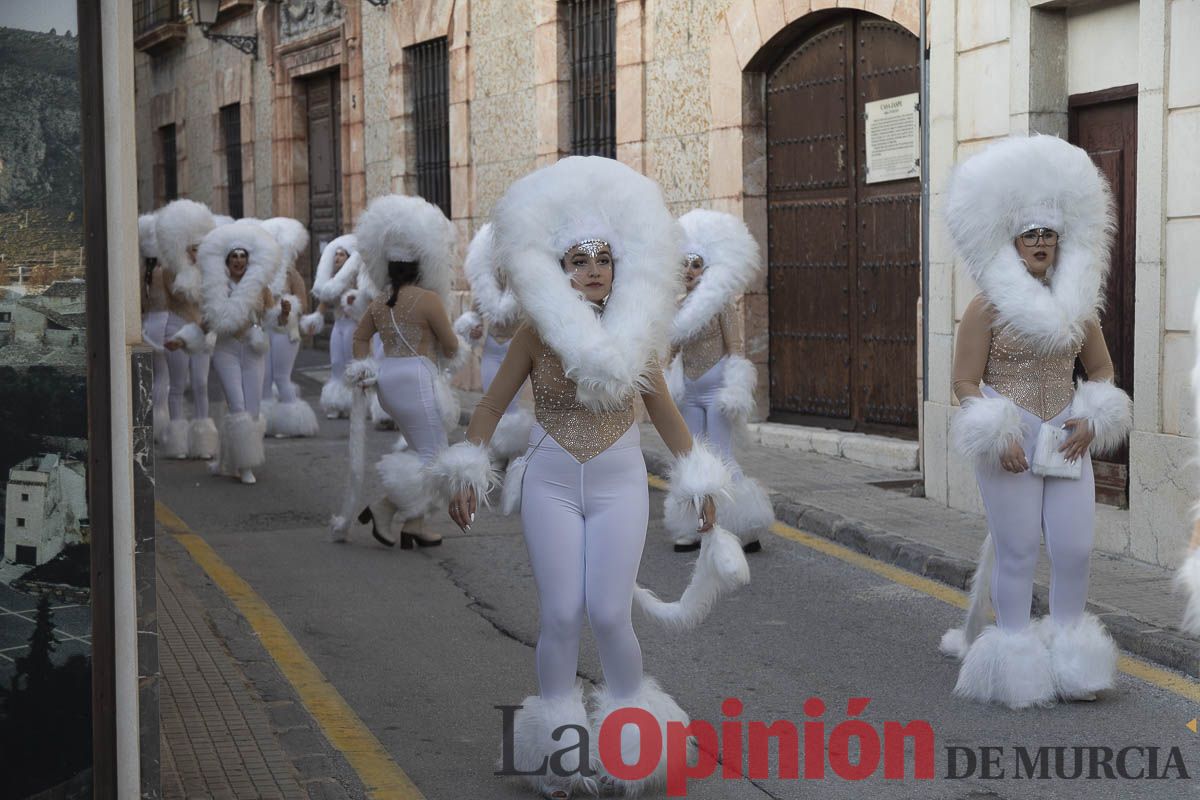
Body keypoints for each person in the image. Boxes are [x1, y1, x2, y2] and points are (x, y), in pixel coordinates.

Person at [433, 157, 733, 799]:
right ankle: (559, 758)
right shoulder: (536, 335)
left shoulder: (639, 338)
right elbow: (489, 406)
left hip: (620, 483)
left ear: (618, 266)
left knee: (609, 610)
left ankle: (634, 745)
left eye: (603, 258)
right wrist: (467, 469)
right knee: (563, 614)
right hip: (550, 481)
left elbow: (667, 415)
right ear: (560, 270)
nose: (593, 269)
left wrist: (700, 481)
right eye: (578, 259)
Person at [938, 135, 1132, 709]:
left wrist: (1093, 417)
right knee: (1019, 548)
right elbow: (964, 382)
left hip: (1066, 440)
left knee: (1074, 548)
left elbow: (1099, 368)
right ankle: (1015, 656)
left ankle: (1073, 655)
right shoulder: (986, 306)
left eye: (1049, 234)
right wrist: (999, 431)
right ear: (1013, 242)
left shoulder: (1079, 307)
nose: (1041, 243)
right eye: (1031, 235)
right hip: (1013, 444)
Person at [334, 194, 465, 547]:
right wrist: (456, 348)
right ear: (422, 264)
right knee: (434, 456)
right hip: (418, 379)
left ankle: (415, 526)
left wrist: (364, 367)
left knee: (422, 448)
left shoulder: (379, 302)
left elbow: (360, 338)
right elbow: (451, 346)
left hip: (387, 381)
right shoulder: (429, 300)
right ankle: (385, 507)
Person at [665, 209, 773, 554]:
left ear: (707, 268)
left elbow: (736, 347)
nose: (689, 271)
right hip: (689, 393)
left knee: (722, 456)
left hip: (716, 390)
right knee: (693, 457)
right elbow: (670, 350)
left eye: (696, 264)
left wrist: (736, 386)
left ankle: (743, 525)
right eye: (684, 264)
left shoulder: (721, 305)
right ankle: (695, 525)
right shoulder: (678, 307)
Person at [167, 220, 281, 485]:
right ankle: (244, 467)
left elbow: (271, 318)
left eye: (243, 256)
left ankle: (230, 458)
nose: (239, 261)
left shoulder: (260, 287)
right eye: (234, 257)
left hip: (253, 350)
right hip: (225, 350)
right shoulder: (215, 289)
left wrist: (284, 313)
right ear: (227, 261)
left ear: (249, 260)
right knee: (238, 406)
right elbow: (205, 323)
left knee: (252, 410)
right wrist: (182, 340)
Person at [453, 223, 534, 461]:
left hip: (515, 349)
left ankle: (511, 451)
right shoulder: (485, 282)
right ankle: (498, 451)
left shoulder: (525, 281)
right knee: (492, 400)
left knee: (510, 403)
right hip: (491, 348)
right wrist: (474, 327)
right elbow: (474, 313)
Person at [154, 199, 218, 460]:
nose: (196, 254)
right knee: (178, 385)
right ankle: (177, 440)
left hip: (201, 329)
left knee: (201, 384)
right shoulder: (168, 272)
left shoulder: (208, 271)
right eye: (192, 249)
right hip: (177, 327)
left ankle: (203, 438)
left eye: (199, 248)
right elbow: (180, 298)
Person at [259, 217, 322, 438]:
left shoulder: (291, 274)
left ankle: (293, 423)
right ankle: (265, 421)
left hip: (287, 331)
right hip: (265, 329)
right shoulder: (261, 273)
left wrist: (286, 309)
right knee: (264, 377)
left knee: (281, 377)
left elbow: (302, 302)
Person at [307, 234, 375, 419]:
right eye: (335, 254)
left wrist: (356, 300)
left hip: (354, 326)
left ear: (349, 258)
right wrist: (316, 317)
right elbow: (324, 302)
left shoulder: (358, 280)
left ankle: (358, 403)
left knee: (352, 363)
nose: (337, 258)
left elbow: (369, 303)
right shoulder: (333, 283)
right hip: (338, 325)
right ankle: (337, 402)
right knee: (337, 363)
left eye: (342, 255)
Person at [138, 211, 171, 441]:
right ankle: (161, 423)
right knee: (164, 377)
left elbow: (140, 303)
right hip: (164, 322)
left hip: (148, 323)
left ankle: (152, 422)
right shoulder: (165, 272)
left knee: (152, 377)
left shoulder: (143, 273)